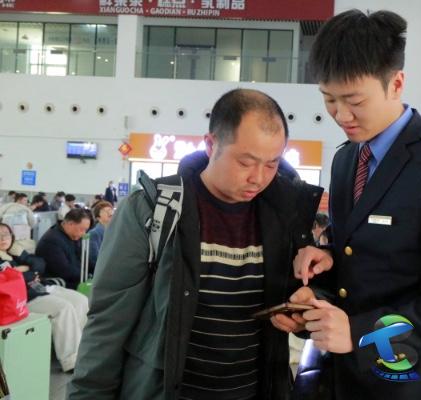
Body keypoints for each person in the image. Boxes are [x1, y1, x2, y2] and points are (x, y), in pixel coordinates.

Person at [273, 10, 421, 400]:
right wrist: (321, 280)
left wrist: (361, 334)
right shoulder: (346, 160)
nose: (341, 115)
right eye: (329, 99)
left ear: (396, 83)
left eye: (354, 100)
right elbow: (359, 260)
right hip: (342, 380)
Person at [67, 89, 322, 400]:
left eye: (272, 164)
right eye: (245, 162)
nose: (258, 177)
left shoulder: (284, 214)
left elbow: (308, 297)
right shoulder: (154, 210)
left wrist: (306, 309)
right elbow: (109, 320)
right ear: (211, 145)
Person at [0, 223, 88, 372]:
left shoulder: (16, 252)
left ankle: (82, 350)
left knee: (81, 300)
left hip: (42, 287)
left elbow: (40, 263)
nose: (3, 238)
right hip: (25, 297)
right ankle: (71, 361)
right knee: (63, 308)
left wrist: (23, 265)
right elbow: (13, 280)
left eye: (6, 234)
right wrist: (29, 272)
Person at [36, 208, 92, 289]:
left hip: (77, 279)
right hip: (62, 285)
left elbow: (85, 259)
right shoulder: (52, 241)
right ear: (70, 224)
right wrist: (87, 276)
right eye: (82, 229)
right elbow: (65, 271)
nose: (84, 233)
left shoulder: (73, 236)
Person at [88, 201, 113, 266]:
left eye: (110, 210)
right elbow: (94, 258)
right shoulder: (94, 233)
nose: (110, 212)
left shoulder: (114, 231)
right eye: (105, 211)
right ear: (98, 217)